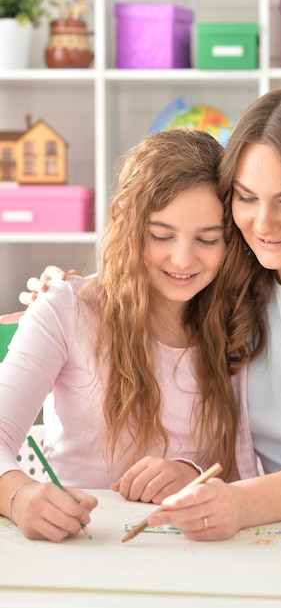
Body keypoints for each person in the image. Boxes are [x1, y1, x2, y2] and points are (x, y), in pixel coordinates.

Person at [6, 86, 281, 541]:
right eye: (246, 197)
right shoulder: (237, 279)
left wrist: (233, 496)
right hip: (244, 540)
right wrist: (71, 296)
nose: (262, 225)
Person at [0, 128, 260, 542]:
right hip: (83, 544)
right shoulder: (65, 308)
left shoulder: (239, 324)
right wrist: (19, 496)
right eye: (161, 235)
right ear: (125, 215)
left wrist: (191, 474)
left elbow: (255, 463)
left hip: (197, 550)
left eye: (208, 239)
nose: (182, 259)